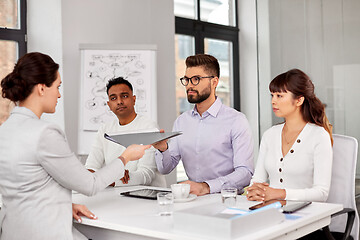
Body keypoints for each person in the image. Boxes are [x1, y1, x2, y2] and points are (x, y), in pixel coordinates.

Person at [0, 52, 150, 240]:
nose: (59, 94)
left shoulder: (5, 130)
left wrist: (61, 205)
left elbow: (26, 187)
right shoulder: (45, 133)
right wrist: (126, 156)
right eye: (57, 86)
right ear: (41, 89)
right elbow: (90, 185)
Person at [153, 54, 254, 196]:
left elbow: (245, 173)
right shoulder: (182, 122)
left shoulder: (236, 120)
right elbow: (165, 169)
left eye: (196, 79)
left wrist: (206, 187)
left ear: (214, 82)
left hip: (227, 200)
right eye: (187, 80)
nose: (189, 85)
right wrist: (163, 149)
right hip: (192, 200)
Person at [247, 69, 333, 203]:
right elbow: (257, 180)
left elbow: (321, 193)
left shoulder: (319, 136)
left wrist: (279, 193)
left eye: (279, 96)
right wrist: (255, 191)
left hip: (307, 214)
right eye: (272, 96)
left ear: (299, 100)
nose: (273, 101)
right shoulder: (270, 135)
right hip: (271, 210)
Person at [85, 77, 166, 187]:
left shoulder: (148, 126)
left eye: (124, 96)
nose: (119, 102)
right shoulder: (105, 130)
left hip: (148, 198)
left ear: (134, 99)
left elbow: (146, 176)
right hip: (118, 197)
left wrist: (109, 178)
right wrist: (111, 176)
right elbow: (90, 168)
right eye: (113, 98)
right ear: (109, 105)